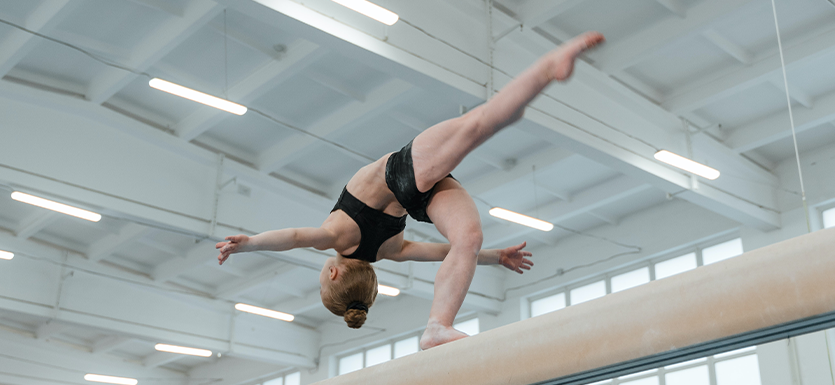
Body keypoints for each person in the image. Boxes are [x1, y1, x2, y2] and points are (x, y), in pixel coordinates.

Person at [217, 32, 605, 350]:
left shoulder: (388, 252)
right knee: (480, 128)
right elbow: (296, 237)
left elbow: (440, 252)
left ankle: (438, 325)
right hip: (403, 175)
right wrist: (249, 243)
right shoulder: (340, 238)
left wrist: (493, 258)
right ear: (333, 273)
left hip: (417, 194)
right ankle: (437, 327)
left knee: (467, 234)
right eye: (321, 279)